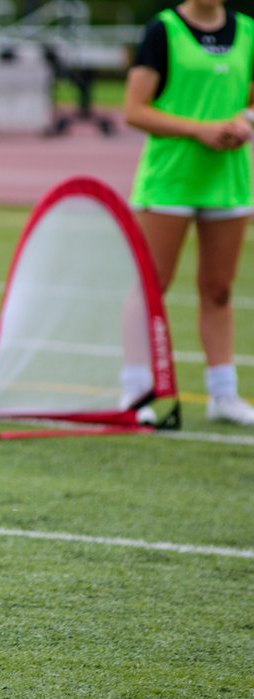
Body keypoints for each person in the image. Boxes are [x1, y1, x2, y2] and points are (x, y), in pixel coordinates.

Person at [123, 0, 254, 424]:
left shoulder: (248, 32)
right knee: (151, 284)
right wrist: (199, 129)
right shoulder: (163, 30)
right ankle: (135, 391)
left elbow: (251, 102)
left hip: (227, 180)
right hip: (170, 180)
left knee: (219, 289)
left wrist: (245, 122)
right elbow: (134, 110)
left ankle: (223, 394)